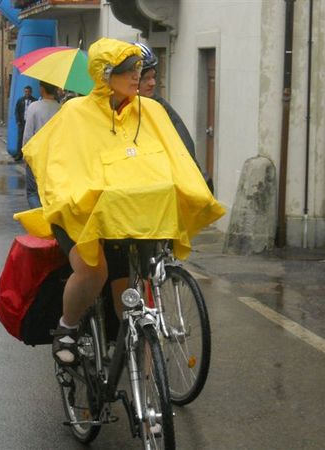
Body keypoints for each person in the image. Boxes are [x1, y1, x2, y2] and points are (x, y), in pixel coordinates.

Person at [16, 38, 224, 365]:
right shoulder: (75, 112)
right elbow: (58, 166)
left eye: (138, 69)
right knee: (92, 272)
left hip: (127, 212)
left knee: (127, 293)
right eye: (127, 70)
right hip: (79, 213)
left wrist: (189, 189)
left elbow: (175, 157)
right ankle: (67, 328)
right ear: (104, 74)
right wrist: (79, 197)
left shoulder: (150, 111)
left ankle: (139, 377)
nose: (136, 76)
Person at [134, 42, 214, 192]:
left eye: (154, 77)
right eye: (145, 78)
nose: (152, 83)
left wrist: (195, 178)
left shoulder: (160, 108)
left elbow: (184, 146)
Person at [22, 81, 61, 208]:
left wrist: (25, 154)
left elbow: (28, 133)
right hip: (54, 155)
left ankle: (40, 219)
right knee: (50, 191)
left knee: (33, 193)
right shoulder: (60, 108)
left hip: (36, 155)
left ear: (42, 89)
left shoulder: (34, 107)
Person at [14, 85, 37, 161]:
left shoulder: (35, 101)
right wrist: (18, 121)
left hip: (31, 122)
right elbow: (16, 111)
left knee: (31, 139)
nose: (27, 93)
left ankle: (30, 155)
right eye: (26, 91)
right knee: (20, 139)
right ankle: (19, 155)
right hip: (22, 122)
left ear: (31, 92)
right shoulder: (20, 100)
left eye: (28, 92)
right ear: (24, 92)